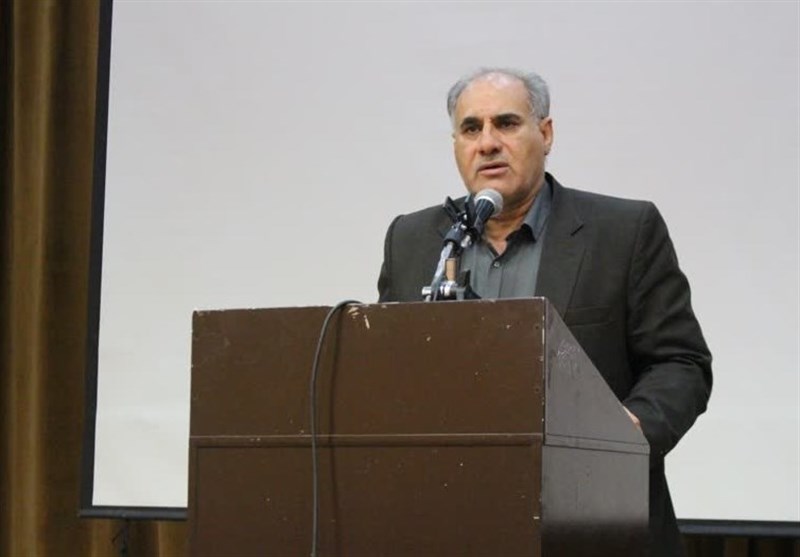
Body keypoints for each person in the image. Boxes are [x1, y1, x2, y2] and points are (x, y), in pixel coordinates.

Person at [377, 68, 712, 557]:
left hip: (595, 521)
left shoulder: (623, 231)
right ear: (456, 145)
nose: (487, 143)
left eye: (506, 123)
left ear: (546, 133)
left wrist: (629, 429)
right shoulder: (414, 240)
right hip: (452, 520)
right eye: (471, 128)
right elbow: (388, 375)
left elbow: (680, 362)